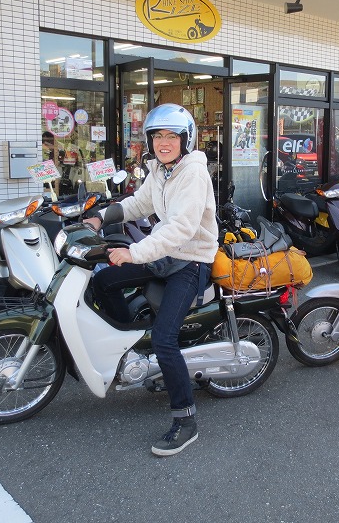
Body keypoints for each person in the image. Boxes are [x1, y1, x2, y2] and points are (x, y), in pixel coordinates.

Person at [83, 104, 218, 456]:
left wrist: (135, 252)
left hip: (190, 261)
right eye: (157, 136)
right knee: (103, 281)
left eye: (172, 136)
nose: (164, 142)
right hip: (163, 254)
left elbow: (181, 228)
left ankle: (185, 421)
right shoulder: (160, 170)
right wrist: (100, 217)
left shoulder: (192, 174)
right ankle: (130, 347)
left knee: (164, 339)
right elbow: (138, 204)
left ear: (185, 139)